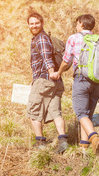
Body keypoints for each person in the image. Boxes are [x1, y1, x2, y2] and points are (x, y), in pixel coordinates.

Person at [53, 14, 99, 156]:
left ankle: (94, 137)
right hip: (97, 82)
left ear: (81, 24)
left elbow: (66, 60)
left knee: (80, 112)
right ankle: (84, 149)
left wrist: (59, 72)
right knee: (87, 115)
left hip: (81, 79)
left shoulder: (74, 38)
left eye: (77, 23)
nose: (76, 26)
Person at [25, 12, 68, 154]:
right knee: (56, 112)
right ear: (28, 25)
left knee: (34, 112)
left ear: (42, 23)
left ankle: (40, 143)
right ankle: (63, 141)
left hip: (45, 80)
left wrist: (50, 72)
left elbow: (46, 56)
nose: (34, 25)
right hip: (55, 82)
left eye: (37, 23)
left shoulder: (41, 38)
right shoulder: (45, 37)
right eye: (31, 23)